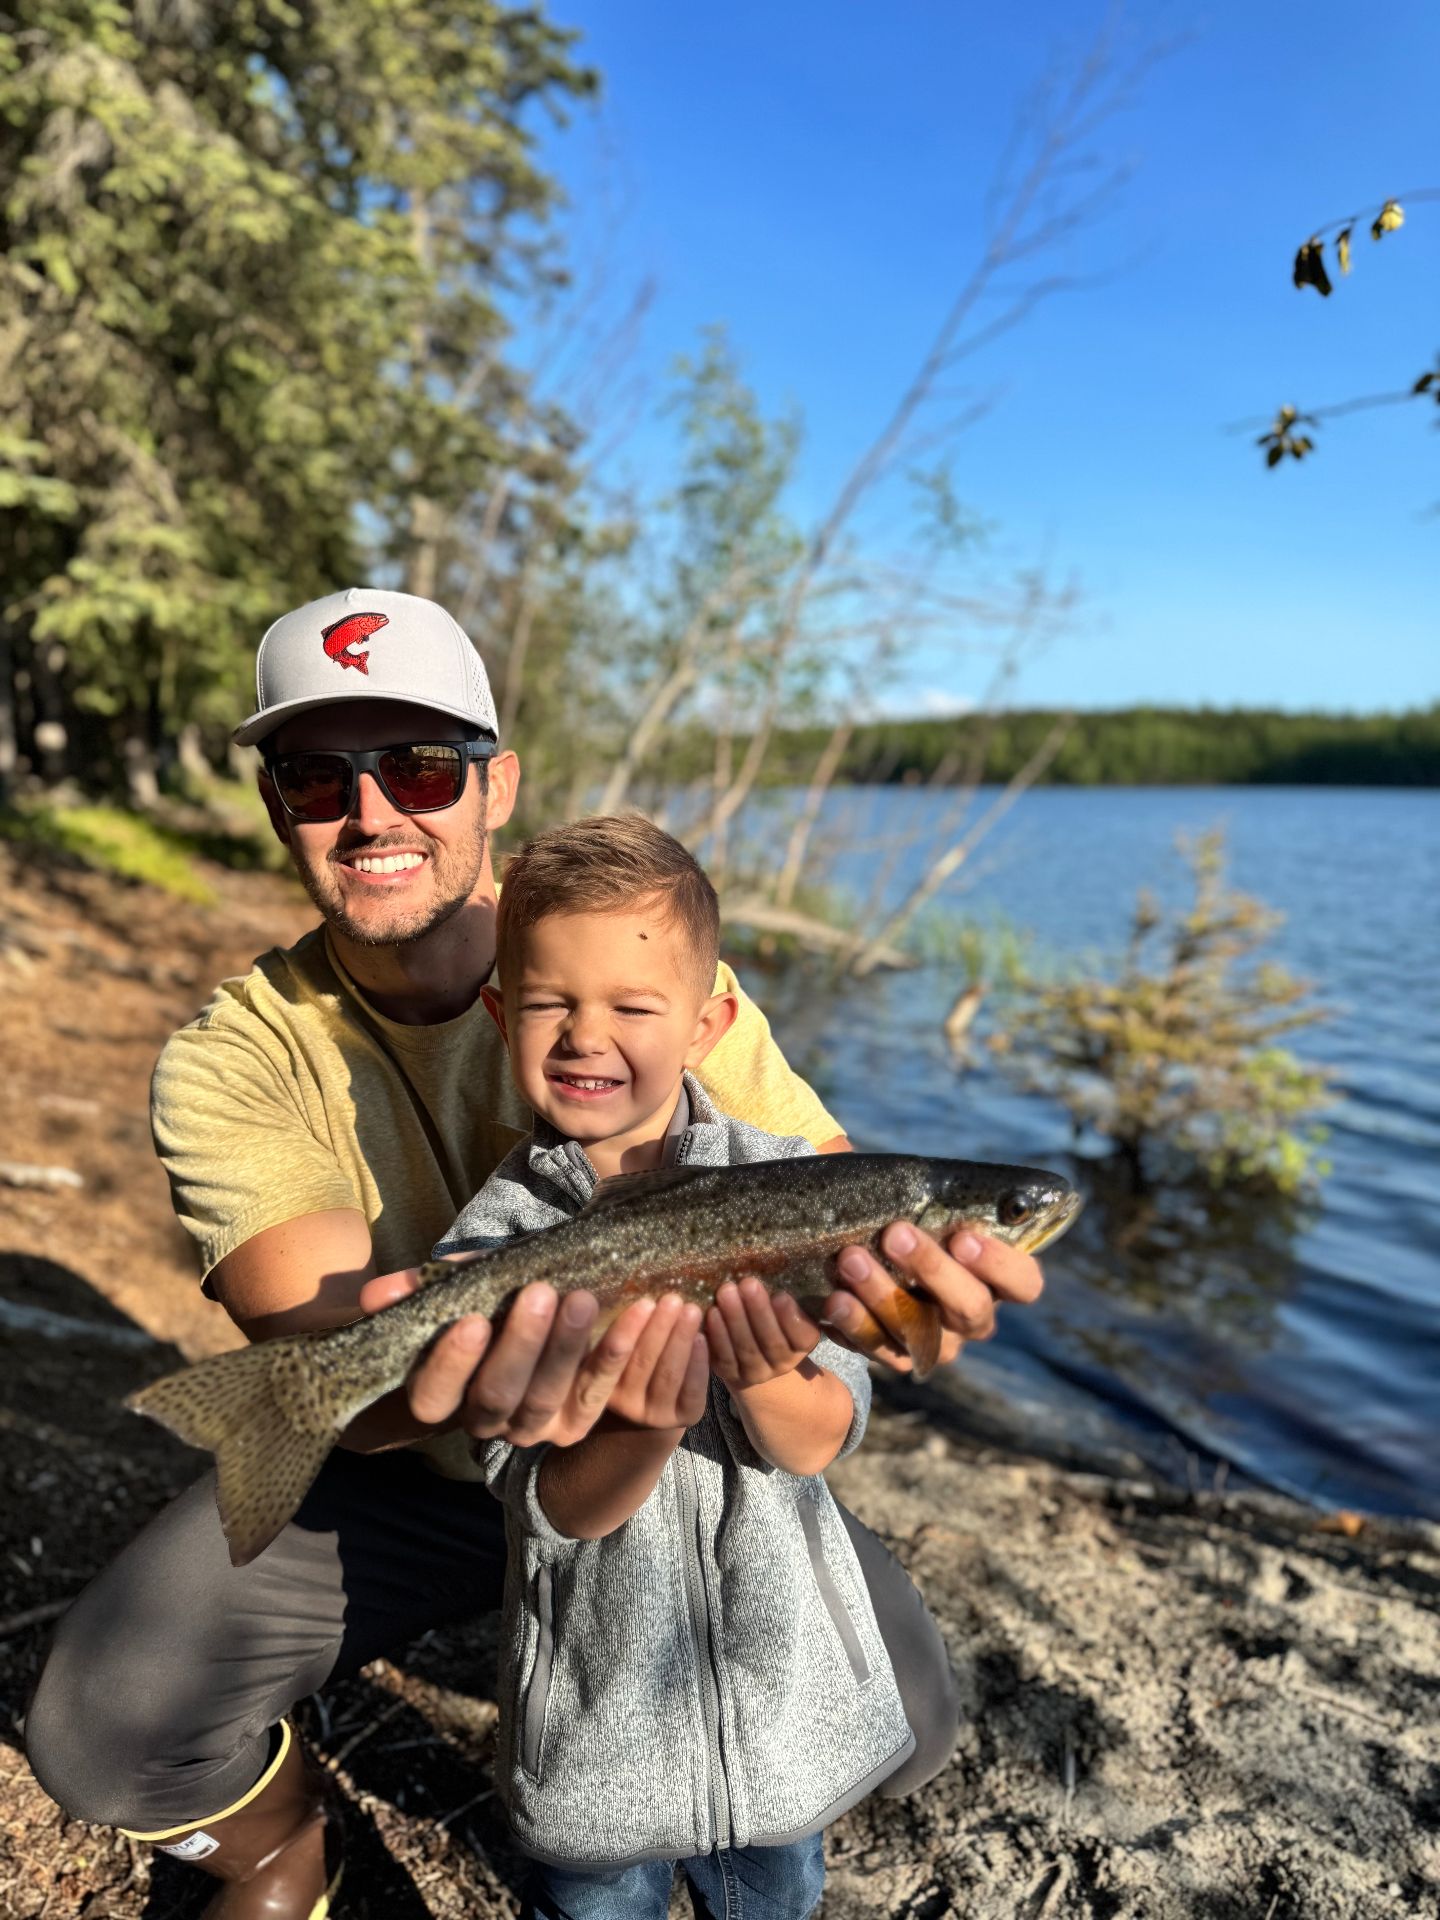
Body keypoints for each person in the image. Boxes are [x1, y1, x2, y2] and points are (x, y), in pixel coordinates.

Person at [24, 588, 1046, 1919]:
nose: (375, 810)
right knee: (107, 1724)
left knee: (905, 1726)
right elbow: (354, 1393)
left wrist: (894, 1317)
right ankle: (277, 1853)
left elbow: (831, 1233)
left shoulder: (639, 956)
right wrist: (478, 1371)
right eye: (321, 774)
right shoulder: (235, 1058)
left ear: (493, 788)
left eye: (422, 765)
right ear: (279, 803)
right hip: (417, 1461)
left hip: (678, 1436)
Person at [437, 811, 915, 1920]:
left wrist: (760, 1377)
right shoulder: (488, 1247)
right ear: (503, 1016)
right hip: (595, 1754)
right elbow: (552, 1507)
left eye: (633, 1007)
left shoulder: (799, 1187)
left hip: (785, 1736)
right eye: (551, 1004)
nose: (584, 1037)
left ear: (708, 1024)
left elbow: (822, 1438)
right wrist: (644, 1425)